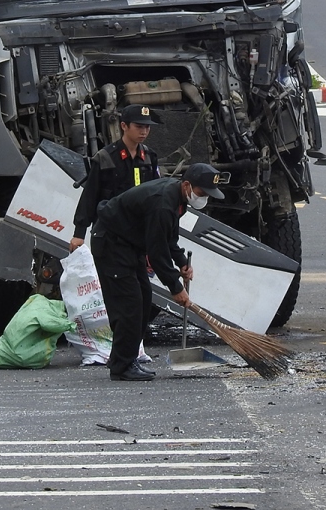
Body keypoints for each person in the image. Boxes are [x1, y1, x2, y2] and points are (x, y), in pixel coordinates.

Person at [90, 163, 227, 381]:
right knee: (130, 305)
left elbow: (168, 237)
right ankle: (121, 367)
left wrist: (182, 261)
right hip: (111, 244)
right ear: (187, 185)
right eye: (202, 192)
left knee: (144, 300)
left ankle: (123, 357)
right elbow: (156, 252)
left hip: (129, 245)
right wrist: (175, 286)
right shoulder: (163, 203)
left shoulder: (177, 199)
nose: (204, 198)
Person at [70, 103, 161, 253]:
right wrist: (79, 233)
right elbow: (90, 195)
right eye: (139, 126)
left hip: (137, 234)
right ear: (124, 126)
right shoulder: (106, 158)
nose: (144, 132)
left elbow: (156, 195)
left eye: (147, 127)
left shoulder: (149, 158)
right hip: (109, 232)